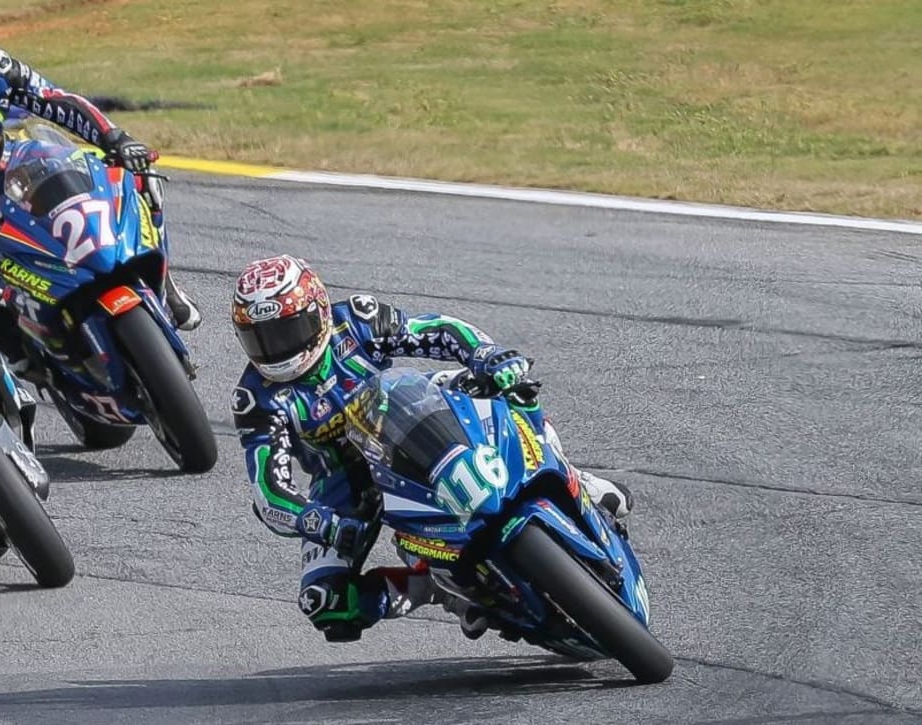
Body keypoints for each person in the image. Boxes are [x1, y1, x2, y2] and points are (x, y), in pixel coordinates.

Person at [230, 255, 633, 642]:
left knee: (504, 386)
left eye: (287, 331)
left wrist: (485, 356)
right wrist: (321, 523)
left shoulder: (354, 320)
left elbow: (437, 330)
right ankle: (434, 587)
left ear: (317, 311)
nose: (276, 348)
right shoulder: (256, 399)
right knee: (326, 603)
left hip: (410, 414)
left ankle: (573, 480)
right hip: (346, 479)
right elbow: (269, 491)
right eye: (260, 338)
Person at [0, 1, 200, 331]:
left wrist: (114, 138)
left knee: (134, 180)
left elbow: (56, 101)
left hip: (10, 180)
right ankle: (8, 369)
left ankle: (164, 285)